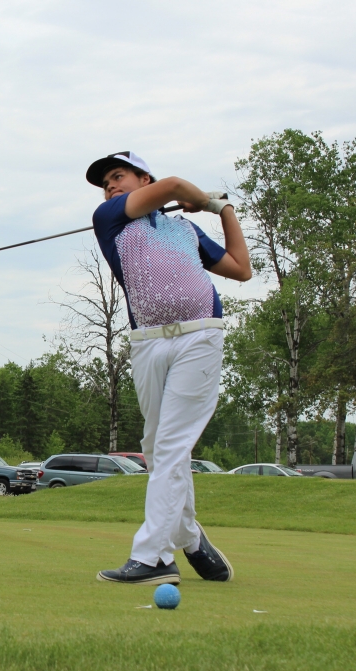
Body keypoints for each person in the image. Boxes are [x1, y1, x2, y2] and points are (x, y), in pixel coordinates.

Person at [84, 152, 251, 585]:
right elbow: (176, 186)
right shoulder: (109, 219)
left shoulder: (185, 229)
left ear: (145, 179)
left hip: (200, 335)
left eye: (118, 176)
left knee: (172, 445)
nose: (110, 187)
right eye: (105, 184)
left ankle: (154, 557)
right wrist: (203, 200)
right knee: (157, 450)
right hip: (147, 343)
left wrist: (223, 209)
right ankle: (190, 539)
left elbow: (241, 269)